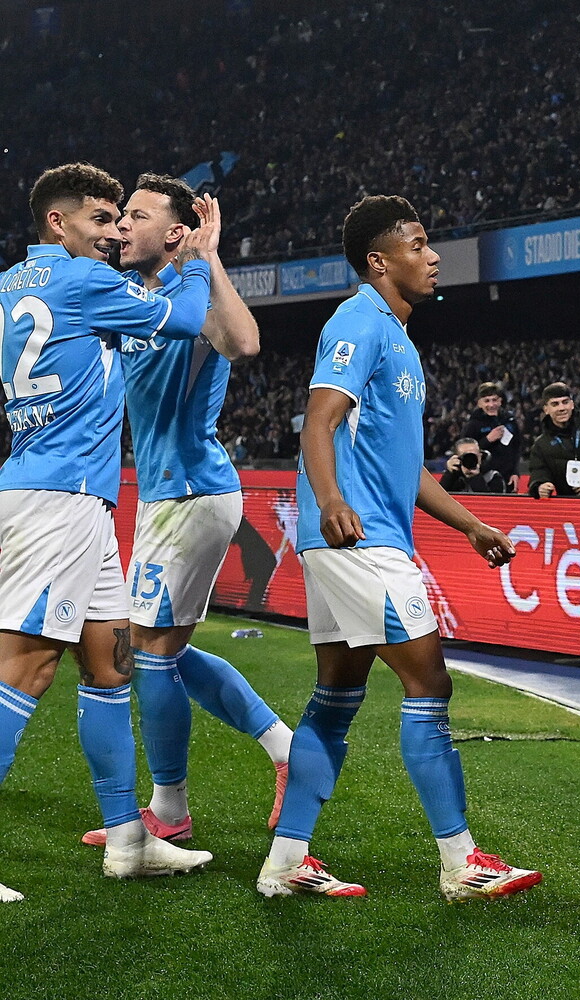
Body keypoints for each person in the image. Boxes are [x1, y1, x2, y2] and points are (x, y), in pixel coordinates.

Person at [258, 195, 538, 900]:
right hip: (359, 540)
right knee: (429, 682)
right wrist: (331, 501)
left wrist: (469, 525)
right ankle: (461, 862)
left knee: (337, 695)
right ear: (379, 262)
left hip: (350, 538)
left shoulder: (397, 337)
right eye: (418, 245)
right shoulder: (358, 321)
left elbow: (403, 468)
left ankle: (286, 861)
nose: (433, 255)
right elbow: (318, 422)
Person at [0, 163, 218, 899]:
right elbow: (186, 319)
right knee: (23, 672)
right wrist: (196, 258)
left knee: (109, 666)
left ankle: (128, 841)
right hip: (57, 500)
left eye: (120, 219)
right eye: (100, 219)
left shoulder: (11, 285)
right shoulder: (83, 279)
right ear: (56, 221)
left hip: (69, 497)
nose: (114, 232)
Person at [80, 174, 292, 850]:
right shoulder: (136, 298)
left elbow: (245, 343)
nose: (122, 226)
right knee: (162, 647)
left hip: (194, 493)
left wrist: (210, 257)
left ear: (175, 233)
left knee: (150, 651)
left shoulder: (189, 295)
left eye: (137, 216)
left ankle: (169, 810)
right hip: (163, 498)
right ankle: (286, 750)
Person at [462, 382, 521, 484]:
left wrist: (515, 472)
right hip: (483, 478)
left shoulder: (510, 420)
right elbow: (465, 453)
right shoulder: (473, 424)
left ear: (500, 401)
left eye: (494, 400)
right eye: (487, 401)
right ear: (479, 403)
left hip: (508, 478)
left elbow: (517, 448)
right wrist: (487, 440)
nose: (491, 405)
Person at [439, 437, 512, 493]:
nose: (470, 459)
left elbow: (492, 504)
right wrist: (449, 474)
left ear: (480, 456)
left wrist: (475, 477)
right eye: (465, 456)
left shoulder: (493, 477)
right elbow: (438, 500)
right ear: (457, 457)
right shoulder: (453, 476)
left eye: (474, 456)